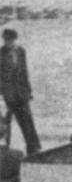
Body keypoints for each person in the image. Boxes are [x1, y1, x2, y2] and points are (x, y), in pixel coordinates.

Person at [0, 27, 40, 155]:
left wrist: (28, 90)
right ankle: (6, 150)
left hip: (21, 93)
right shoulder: (0, 54)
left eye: (10, 40)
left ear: (15, 40)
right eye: (6, 40)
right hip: (8, 95)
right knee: (7, 123)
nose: (8, 43)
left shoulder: (21, 51)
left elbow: (24, 72)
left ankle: (33, 147)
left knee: (27, 120)